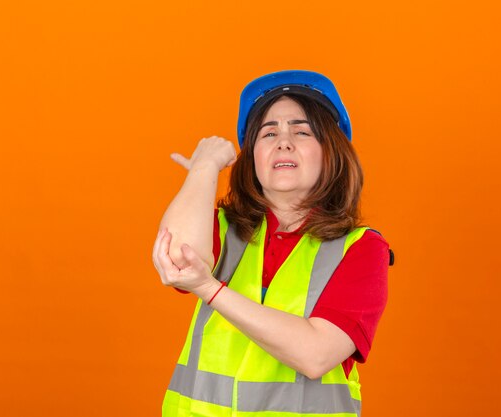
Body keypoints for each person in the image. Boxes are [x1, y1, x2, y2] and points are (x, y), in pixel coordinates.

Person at [152, 70, 392, 417]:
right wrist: (203, 168)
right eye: (268, 133)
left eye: (302, 130)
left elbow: (315, 354)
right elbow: (175, 260)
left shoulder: (361, 250)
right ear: (252, 158)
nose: (284, 141)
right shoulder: (221, 228)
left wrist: (210, 289)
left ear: (331, 153)